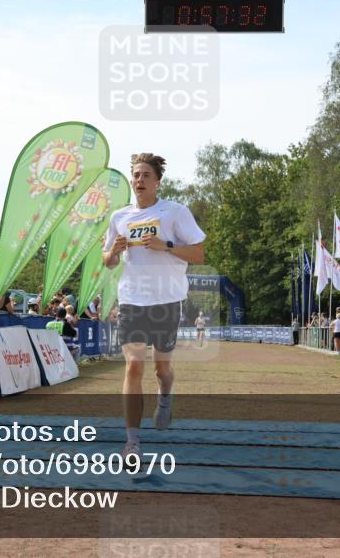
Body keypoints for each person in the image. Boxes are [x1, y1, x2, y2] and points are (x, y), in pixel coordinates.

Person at [103, 153, 205, 460]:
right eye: (135, 175)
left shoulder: (174, 212)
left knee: (162, 369)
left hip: (166, 301)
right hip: (132, 299)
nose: (139, 180)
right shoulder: (119, 217)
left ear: (157, 182)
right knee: (134, 365)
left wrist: (167, 246)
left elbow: (199, 254)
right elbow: (107, 262)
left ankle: (165, 395)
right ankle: (132, 442)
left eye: (146, 175)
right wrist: (113, 252)